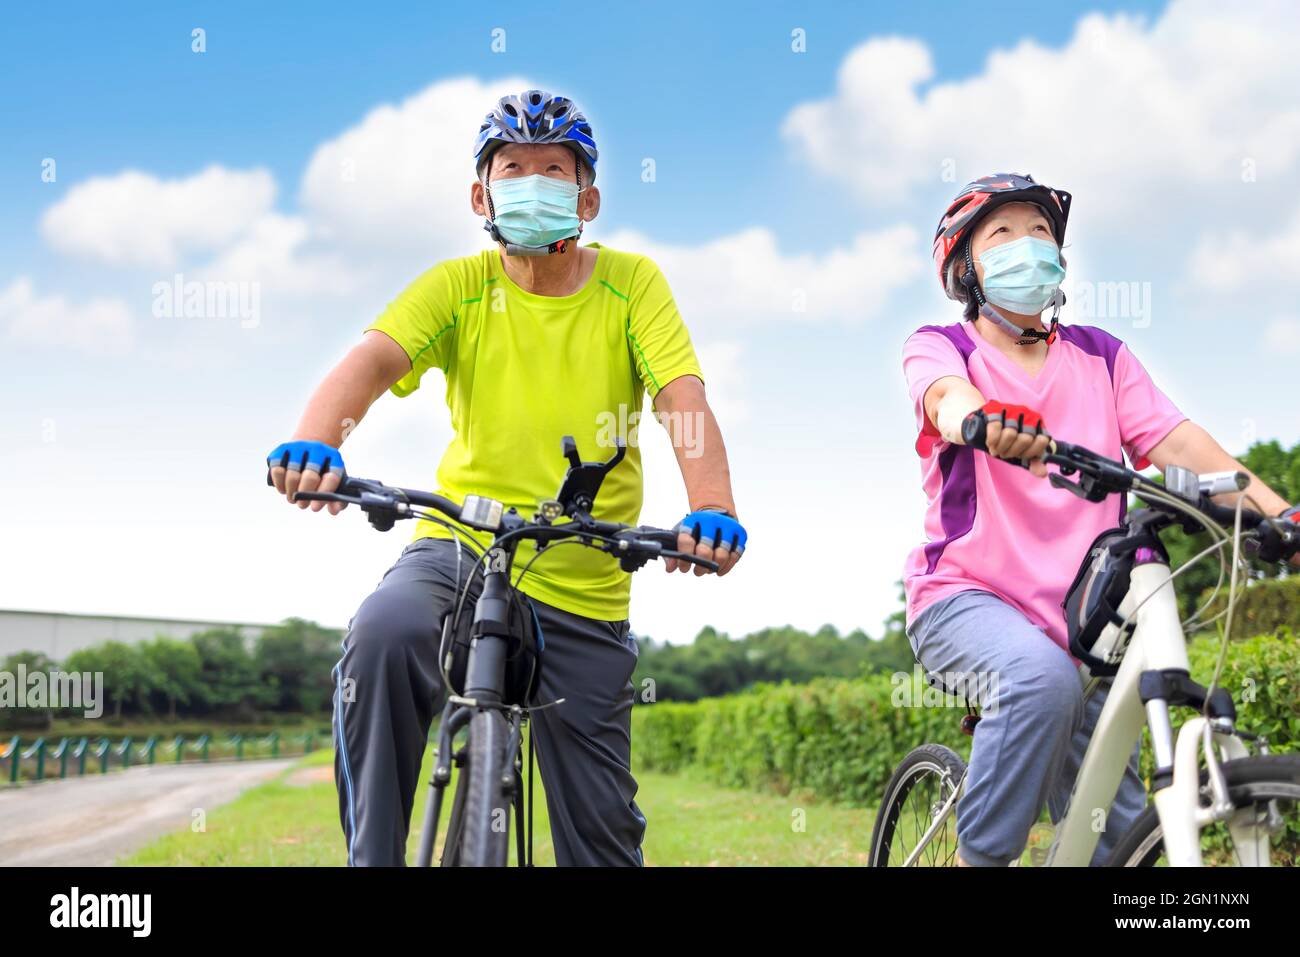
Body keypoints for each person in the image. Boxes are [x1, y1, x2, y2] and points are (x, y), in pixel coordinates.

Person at [266, 90, 747, 866]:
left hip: (584, 572)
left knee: (602, 836)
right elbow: (373, 361)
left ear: (586, 198)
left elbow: (679, 398)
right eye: (512, 168)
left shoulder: (633, 284)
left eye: (553, 169)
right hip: (460, 545)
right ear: (480, 194)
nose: (532, 182)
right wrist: (314, 446)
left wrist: (713, 506)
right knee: (383, 636)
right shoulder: (458, 286)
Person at [901, 172, 1299, 867]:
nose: (1028, 245)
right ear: (965, 267)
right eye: (1003, 234)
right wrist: (981, 420)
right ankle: (980, 860)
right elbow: (943, 397)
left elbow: (1177, 443)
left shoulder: (1101, 354)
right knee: (1041, 680)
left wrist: (1279, 512)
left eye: (1041, 233)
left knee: (1116, 828)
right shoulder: (943, 345)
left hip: (1091, 616)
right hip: (964, 598)